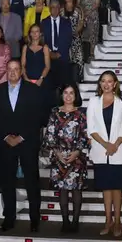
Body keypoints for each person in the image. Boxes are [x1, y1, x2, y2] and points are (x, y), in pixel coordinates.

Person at [0, 60, 45, 231]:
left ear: (21, 71)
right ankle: (9, 218)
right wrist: (5, 136)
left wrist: (22, 136)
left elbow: (39, 117)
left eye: (16, 69)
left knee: (31, 181)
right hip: (5, 143)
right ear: (6, 71)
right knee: (7, 182)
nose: (12, 72)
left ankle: (35, 218)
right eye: (10, 69)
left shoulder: (34, 90)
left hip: (27, 142)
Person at [86, 71, 122, 237]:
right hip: (101, 150)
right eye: (103, 81)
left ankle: (118, 220)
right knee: (106, 187)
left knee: (117, 188)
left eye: (109, 81)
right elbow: (91, 128)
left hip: (119, 151)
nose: (106, 84)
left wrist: (115, 145)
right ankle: (108, 220)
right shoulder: (93, 102)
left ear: (115, 84)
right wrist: (106, 144)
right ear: (100, 84)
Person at [42, 85, 91, 232]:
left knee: (76, 190)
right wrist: (57, 153)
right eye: (65, 93)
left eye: (71, 93)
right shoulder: (54, 112)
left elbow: (85, 135)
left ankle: (75, 222)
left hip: (76, 157)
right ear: (61, 94)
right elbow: (50, 135)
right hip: (60, 157)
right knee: (62, 190)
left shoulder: (81, 114)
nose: (68, 96)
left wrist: (77, 152)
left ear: (76, 95)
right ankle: (65, 221)